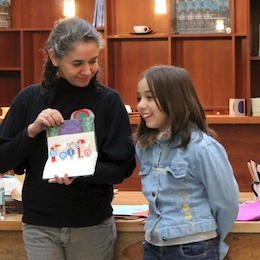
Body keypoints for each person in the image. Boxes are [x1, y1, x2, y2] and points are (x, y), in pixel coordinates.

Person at [0, 17, 136, 260]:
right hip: (40, 225)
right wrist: (31, 132)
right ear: (54, 58)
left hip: (91, 225)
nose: (87, 71)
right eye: (77, 63)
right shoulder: (29, 99)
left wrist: (82, 170)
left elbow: (122, 168)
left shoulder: (109, 101)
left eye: (93, 61)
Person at [134, 65, 239, 260]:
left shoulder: (203, 148)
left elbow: (227, 203)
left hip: (194, 248)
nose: (141, 105)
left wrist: (207, 237)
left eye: (150, 97)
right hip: (153, 245)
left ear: (174, 100)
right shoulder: (144, 147)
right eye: (139, 97)